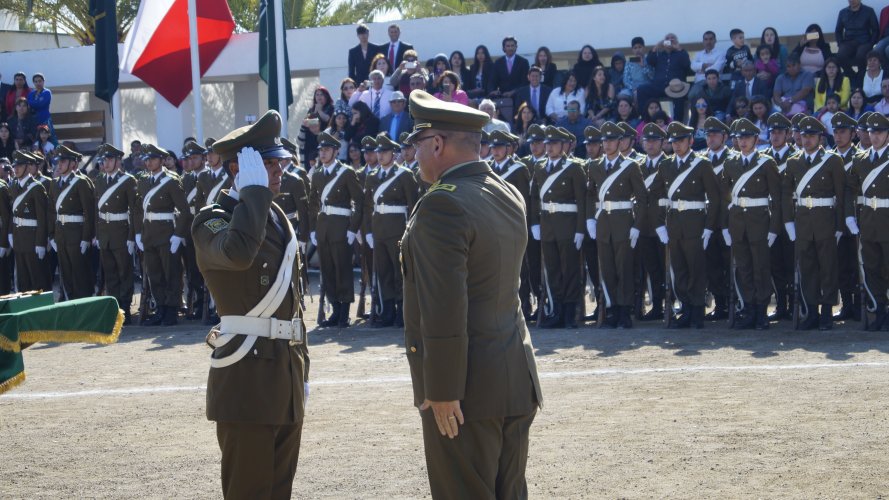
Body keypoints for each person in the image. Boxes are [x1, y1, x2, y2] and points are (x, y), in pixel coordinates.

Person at [400, 91, 542, 499]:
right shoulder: (505, 192)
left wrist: (442, 390)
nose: (415, 155)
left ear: (438, 145)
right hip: (514, 377)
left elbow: (445, 309)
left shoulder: (442, 205)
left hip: (465, 393)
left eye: (419, 144)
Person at [191, 110, 308, 499]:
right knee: (249, 491)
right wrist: (253, 193)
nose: (278, 171)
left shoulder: (275, 218)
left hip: (284, 372)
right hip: (245, 375)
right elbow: (239, 253)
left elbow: (293, 305)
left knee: (279, 491)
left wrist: (301, 372)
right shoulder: (212, 219)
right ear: (239, 168)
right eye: (267, 163)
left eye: (279, 163)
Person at [649, 122, 720, 329]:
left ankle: (697, 311)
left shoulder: (701, 164)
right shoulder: (666, 165)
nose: (677, 145)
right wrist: (659, 225)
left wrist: (709, 227)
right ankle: (686, 308)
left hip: (695, 223)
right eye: (674, 142)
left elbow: (715, 198)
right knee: (679, 269)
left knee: (696, 268)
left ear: (690, 141)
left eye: (681, 141)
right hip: (674, 224)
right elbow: (655, 196)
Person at [782, 116, 845, 330]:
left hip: (825, 220)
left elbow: (841, 195)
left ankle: (827, 311)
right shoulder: (793, 161)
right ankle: (811, 311)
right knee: (807, 268)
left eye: (811, 136)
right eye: (804, 135)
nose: (807, 140)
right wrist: (789, 222)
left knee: (827, 266)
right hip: (803, 221)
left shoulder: (832, 160)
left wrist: (839, 226)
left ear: (820, 138)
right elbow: (785, 194)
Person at [720, 118, 781, 329]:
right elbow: (724, 197)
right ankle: (749, 308)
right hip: (737, 222)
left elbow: (777, 198)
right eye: (739, 138)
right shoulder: (731, 162)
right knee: (744, 267)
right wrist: (725, 226)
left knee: (761, 267)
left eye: (746, 138)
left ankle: (762, 310)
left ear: (756, 139)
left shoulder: (766, 163)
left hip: (760, 222)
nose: (743, 142)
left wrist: (774, 228)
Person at [585, 121, 647, 328]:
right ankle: (611, 308)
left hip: (623, 223)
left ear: (620, 142)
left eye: (612, 140)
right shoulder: (594, 166)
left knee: (624, 269)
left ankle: (624, 310)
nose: (608, 144)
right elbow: (590, 196)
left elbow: (642, 199)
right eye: (605, 140)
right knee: (608, 270)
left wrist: (637, 226)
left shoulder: (630, 166)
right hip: (604, 224)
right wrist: (590, 220)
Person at [530, 126, 586, 328]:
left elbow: (582, 200)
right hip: (548, 226)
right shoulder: (539, 167)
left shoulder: (573, 168)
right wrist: (535, 223)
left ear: (564, 146)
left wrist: (581, 229)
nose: (550, 147)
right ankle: (557, 310)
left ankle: (570, 313)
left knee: (569, 269)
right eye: (548, 144)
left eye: (554, 144)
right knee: (552, 270)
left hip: (568, 225)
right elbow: (535, 197)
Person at [361, 133, 417, 327]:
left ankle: (402, 310)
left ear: (393, 154)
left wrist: (411, 230)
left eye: (384, 152)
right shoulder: (372, 176)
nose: (381, 155)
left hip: (398, 229)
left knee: (399, 271)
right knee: (382, 272)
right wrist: (367, 231)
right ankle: (387, 311)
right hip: (379, 230)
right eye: (379, 152)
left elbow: (412, 205)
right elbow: (367, 207)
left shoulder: (404, 175)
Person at [309, 132, 364, 328]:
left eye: (326, 150)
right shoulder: (316, 175)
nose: (323, 154)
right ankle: (334, 308)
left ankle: (344, 312)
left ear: (335, 151)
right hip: (323, 228)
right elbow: (313, 203)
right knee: (328, 270)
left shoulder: (347, 172)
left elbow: (359, 200)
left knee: (343, 270)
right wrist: (313, 229)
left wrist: (353, 229)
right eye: (321, 150)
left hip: (341, 227)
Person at [134, 143, 188, 326]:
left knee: (171, 273)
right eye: (146, 159)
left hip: (167, 233)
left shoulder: (171, 180)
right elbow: (138, 210)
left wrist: (178, 235)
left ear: (162, 160)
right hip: (149, 233)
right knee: (154, 274)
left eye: (152, 159)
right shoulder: (142, 180)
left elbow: (184, 210)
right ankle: (161, 308)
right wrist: (138, 233)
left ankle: (172, 310)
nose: (149, 163)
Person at [845, 112, 889, 330]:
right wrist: (849, 216)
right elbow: (850, 189)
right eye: (872, 132)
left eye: (879, 132)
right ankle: (878, 311)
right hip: (869, 222)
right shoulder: (860, 160)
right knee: (871, 269)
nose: (875, 137)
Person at [93, 144, 138, 322]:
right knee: (110, 273)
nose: (107, 163)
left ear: (118, 161)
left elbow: (134, 211)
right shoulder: (100, 180)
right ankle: (115, 307)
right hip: (105, 234)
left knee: (124, 272)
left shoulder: (128, 180)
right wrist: (97, 234)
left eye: (110, 159)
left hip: (121, 232)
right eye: (105, 160)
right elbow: (98, 211)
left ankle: (125, 307)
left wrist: (132, 236)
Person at [48, 144, 95, 300]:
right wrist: (52, 235)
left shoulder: (81, 182)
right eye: (58, 162)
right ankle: (71, 306)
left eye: (63, 161)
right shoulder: (54, 184)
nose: (59, 165)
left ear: (73, 164)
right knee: (66, 273)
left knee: (80, 274)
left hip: (77, 234)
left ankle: (84, 308)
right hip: (61, 234)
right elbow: (52, 211)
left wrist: (86, 237)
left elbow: (89, 212)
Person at [763, 113, 797, 320]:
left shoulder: (796, 156)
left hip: (792, 216)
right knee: (774, 262)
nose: (775, 136)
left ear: (788, 134)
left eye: (779, 132)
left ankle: (794, 303)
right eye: (773, 132)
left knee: (792, 261)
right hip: (768, 215)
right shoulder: (764, 157)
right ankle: (781, 303)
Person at [829, 112, 861, 321]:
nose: (839, 136)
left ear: (853, 133)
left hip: (856, 217)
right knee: (840, 263)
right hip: (833, 218)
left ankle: (859, 304)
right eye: (836, 132)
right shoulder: (828, 158)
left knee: (857, 263)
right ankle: (846, 304)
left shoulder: (860, 157)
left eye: (843, 131)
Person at [9, 150, 49, 292]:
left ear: (28, 167)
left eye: (19, 165)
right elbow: (11, 214)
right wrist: (10, 233)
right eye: (15, 166)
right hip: (19, 238)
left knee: (36, 281)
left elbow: (42, 218)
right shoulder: (14, 186)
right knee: (23, 281)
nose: (16, 169)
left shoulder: (36, 187)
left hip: (32, 241)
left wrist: (40, 243)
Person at [636, 33, 692, 121]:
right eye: (667, 38)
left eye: (672, 38)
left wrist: (678, 48)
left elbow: (686, 64)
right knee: (641, 90)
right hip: (658, 86)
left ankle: (677, 124)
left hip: (674, 87)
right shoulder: (660, 54)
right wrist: (656, 46)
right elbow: (649, 60)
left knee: (680, 97)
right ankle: (646, 120)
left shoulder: (681, 53)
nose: (670, 40)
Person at [835, 0, 879, 81]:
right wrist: (840, 44)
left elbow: (875, 29)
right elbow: (838, 31)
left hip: (864, 41)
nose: (852, 1)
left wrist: (871, 43)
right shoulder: (843, 12)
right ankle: (851, 76)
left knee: (861, 55)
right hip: (848, 41)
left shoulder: (869, 11)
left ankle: (861, 77)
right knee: (840, 55)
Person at [688, 31, 726, 104]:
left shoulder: (721, 53)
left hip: (714, 82)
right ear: (703, 41)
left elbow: (715, 69)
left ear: (715, 40)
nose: (708, 41)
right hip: (699, 82)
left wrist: (700, 69)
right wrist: (703, 65)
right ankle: (696, 115)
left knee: (712, 98)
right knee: (691, 95)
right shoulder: (698, 54)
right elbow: (692, 66)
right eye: (706, 39)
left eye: (711, 39)